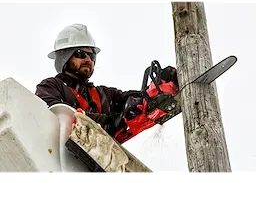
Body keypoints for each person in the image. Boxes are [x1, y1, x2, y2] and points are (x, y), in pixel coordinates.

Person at [35, 23, 179, 144]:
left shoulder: (103, 94)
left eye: (92, 55)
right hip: (61, 160)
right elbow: (57, 115)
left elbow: (138, 100)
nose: (88, 60)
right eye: (80, 54)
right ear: (64, 58)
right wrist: (109, 122)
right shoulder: (50, 87)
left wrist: (162, 86)